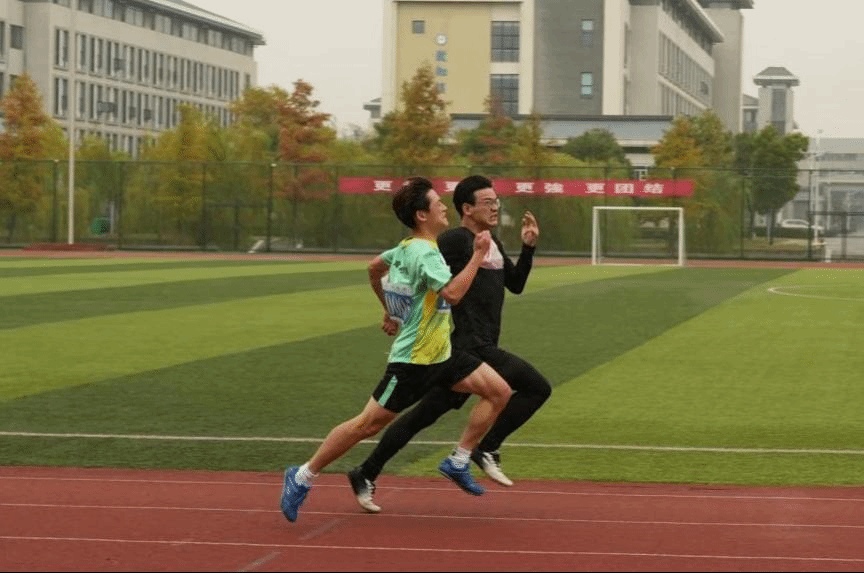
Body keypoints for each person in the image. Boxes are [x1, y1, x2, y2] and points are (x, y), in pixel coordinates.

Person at [280, 176, 513, 523]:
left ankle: (459, 460)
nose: (443, 207)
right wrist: (478, 255)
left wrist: (390, 311)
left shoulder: (407, 247)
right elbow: (452, 294)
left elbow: (375, 268)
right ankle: (302, 475)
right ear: (422, 215)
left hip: (442, 354)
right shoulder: (425, 253)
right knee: (366, 425)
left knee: (499, 392)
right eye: (437, 203)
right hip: (413, 362)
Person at [347, 174, 551, 513]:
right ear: (467, 209)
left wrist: (528, 247)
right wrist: (392, 311)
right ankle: (484, 449)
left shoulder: (491, 242)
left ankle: (365, 471)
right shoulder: (456, 240)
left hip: (468, 348)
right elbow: (410, 265)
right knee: (535, 387)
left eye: (497, 201)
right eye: (488, 202)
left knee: (422, 416)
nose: (495, 207)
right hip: (470, 345)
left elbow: (515, 284)